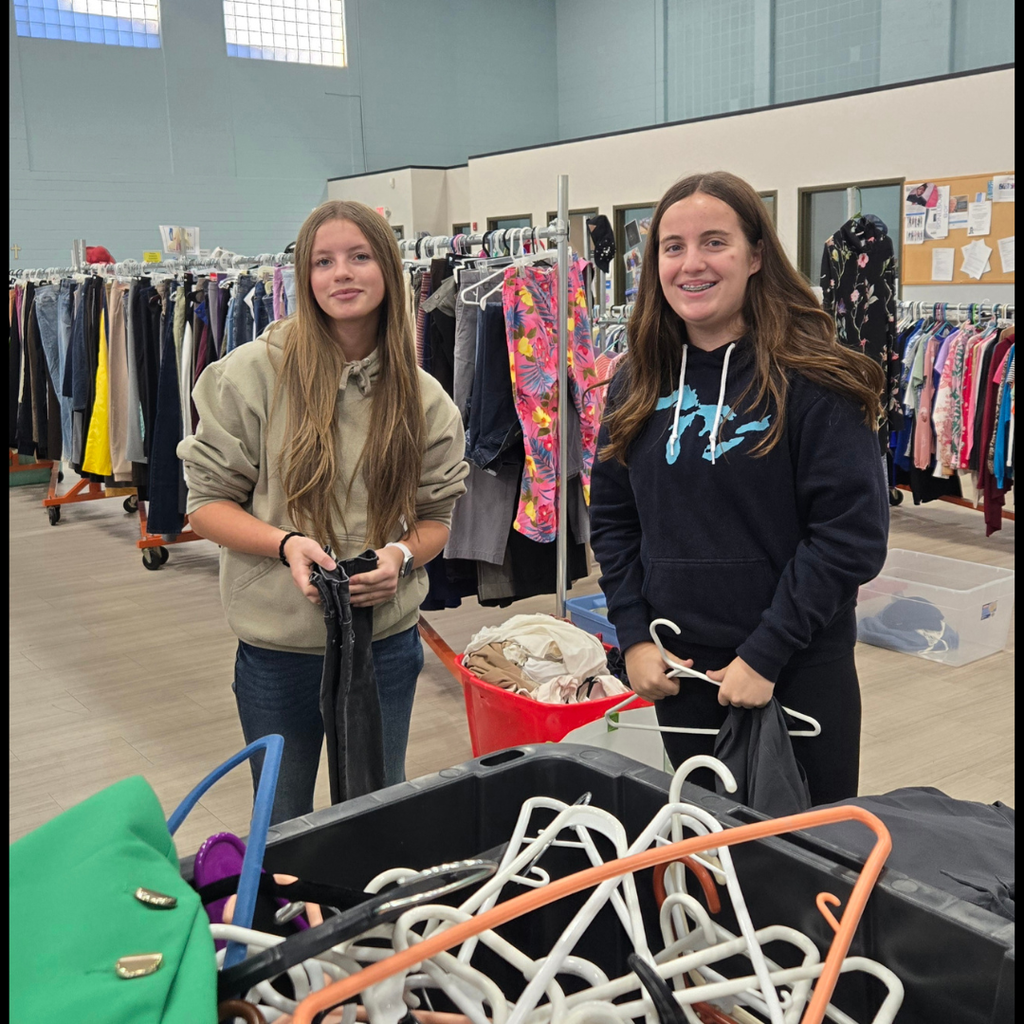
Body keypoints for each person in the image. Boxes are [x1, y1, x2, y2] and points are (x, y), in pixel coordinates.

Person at [589, 171, 889, 804]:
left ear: (756, 256)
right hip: (682, 672)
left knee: (808, 869)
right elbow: (615, 521)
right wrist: (634, 636)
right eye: (673, 247)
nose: (690, 264)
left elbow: (850, 538)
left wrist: (766, 653)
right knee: (708, 866)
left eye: (714, 242)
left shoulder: (818, 381)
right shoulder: (634, 383)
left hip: (798, 671)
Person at [179, 201, 468, 824]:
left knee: (376, 812)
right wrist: (285, 544)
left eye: (360, 257)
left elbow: (436, 516)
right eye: (323, 261)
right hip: (278, 649)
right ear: (304, 278)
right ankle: (289, 918)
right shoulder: (250, 377)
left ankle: (362, 919)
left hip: (384, 644)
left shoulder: (424, 398)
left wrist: (399, 556)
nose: (342, 274)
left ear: (389, 269)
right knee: (281, 820)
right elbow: (204, 506)